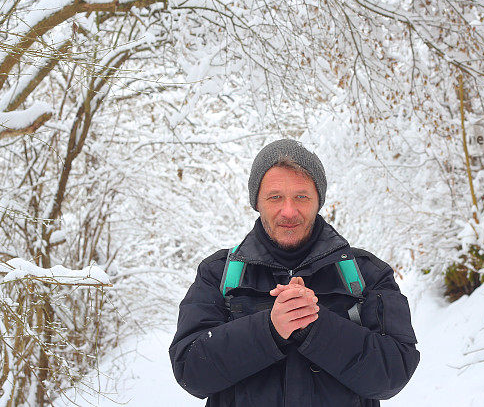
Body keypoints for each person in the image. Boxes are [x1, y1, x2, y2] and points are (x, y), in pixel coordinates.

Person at [169, 139, 419, 406]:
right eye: (275, 197)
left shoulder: (367, 273)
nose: (288, 211)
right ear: (257, 202)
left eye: (301, 196)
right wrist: (269, 330)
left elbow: (394, 373)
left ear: (318, 201)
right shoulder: (217, 273)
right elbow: (190, 371)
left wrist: (314, 326)